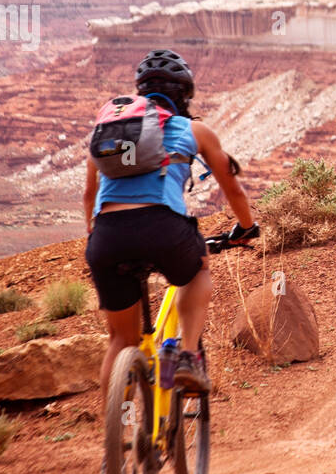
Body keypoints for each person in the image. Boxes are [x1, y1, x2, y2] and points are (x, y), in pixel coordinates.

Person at [83, 49, 257, 403]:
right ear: (184, 95)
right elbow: (233, 189)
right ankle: (188, 357)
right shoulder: (195, 130)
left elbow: (89, 195)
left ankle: (115, 433)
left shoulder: (109, 133)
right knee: (198, 269)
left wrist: (96, 236)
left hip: (106, 238)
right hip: (162, 229)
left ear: (141, 92)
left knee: (120, 340)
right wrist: (246, 228)